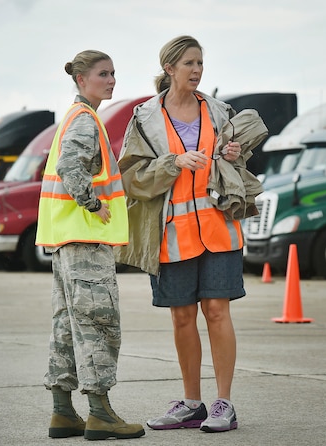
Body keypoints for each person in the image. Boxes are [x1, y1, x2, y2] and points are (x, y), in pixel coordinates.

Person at [115, 35, 263, 433]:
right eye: (189, 64)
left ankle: (224, 404)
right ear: (169, 68)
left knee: (217, 312)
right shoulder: (144, 118)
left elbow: (237, 158)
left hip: (220, 229)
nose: (197, 71)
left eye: (201, 63)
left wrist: (234, 153)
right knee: (182, 318)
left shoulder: (218, 111)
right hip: (171, 234)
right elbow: (132, 178)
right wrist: (173, 162)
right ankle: (192, 403)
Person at [35, 49, 144, 441]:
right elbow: (70, 166)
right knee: (100, 324)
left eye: (114, 73)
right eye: (103, 74)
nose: (111, 80)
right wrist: (93, 203)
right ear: (82, 80)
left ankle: (63, 412)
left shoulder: (76, 117)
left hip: (66, 243)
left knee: (66, 326)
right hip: (86, 240)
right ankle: (100, 413)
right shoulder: (85, 120)